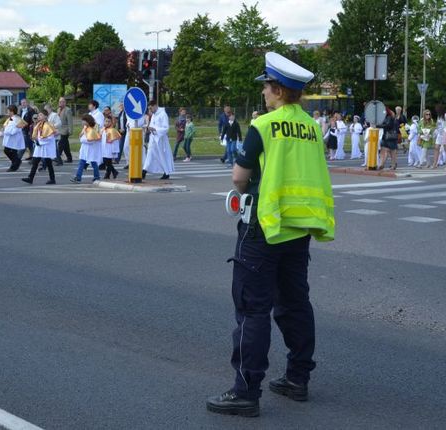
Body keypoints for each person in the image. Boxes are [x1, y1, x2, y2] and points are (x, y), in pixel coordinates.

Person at [206, 52, 334, 418]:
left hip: (264, 227)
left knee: (252, 308)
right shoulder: (311, 126)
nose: (263, 91)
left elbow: (239, 177)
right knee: (295, 303)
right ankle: (297, 379)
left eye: (266, 85)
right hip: (299, 228)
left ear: (277, 89)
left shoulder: (264, 125)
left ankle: (246, 391)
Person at [22, 109, 57, 185]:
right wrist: (36, 141)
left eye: (41, 115)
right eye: (39, 115)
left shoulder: (49, 125)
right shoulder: (38, 125)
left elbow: (50, 137)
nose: (39, 116)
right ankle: (30, 178)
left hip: (45, 147)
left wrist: (40, 141)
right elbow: (37, 135)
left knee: (48, 163)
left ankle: (52, 179)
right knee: (35, 162)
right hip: (39, 146)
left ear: (46, 116)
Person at [143, 100, 175, 180]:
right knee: (149, 154)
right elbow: (151, 124)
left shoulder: (163, 114)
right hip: (153, 138)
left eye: (151, 108)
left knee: (162, 156)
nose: (150, 110)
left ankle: (166, 172)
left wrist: (155, 129)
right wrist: (149, 128)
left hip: (161, 139)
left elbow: (166, 128)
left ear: (155, 106)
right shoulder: (154, 115)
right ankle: (143, 171)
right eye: (149, 109)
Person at [70, 114, 102, 183]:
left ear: (88, 121)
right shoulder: (85, 129)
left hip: (90, 149)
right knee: (81, 163)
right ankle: (78, 177)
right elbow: (81, 137)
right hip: (84, 149)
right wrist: (82, 138)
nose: (82, 122)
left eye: (84, 121)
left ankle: (97, 176)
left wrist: (82, 139)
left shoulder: (91, 130)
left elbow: (90, 141)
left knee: (93, 163)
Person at [0, 105, 26, 172]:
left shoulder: (17, 119)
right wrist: (3, 131)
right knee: (7, 151)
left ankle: (14, 166)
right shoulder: (9, 119)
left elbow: (18, 128)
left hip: (15, 138)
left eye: (8, 111)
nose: (7, 112)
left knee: (11, 151)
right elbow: (6, 127)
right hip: (9, 138)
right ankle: (16, 162)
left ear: (12, 111)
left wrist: (9, 131)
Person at [432, 104, 446, 169]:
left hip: (445, 132)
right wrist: (436, 132)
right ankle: (435, 164)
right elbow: (438, 125)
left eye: (437, 109)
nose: (436, 111)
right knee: (436, 147)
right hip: (439, 133)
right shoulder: (439, 116)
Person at [55, 97, 73, 165]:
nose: (60, 103)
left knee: (61, 144)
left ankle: (58, 158)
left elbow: (70, 121)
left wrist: (70, 131)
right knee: (66, 145)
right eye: (59, 102)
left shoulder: (68, 110)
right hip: (59, 129)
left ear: (65, 103)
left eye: (62, 102)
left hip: (65, 130)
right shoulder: (58, 109)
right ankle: (69, 158)